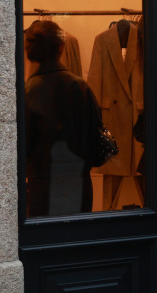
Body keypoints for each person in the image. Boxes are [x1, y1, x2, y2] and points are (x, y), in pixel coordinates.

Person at [24, 20, 101, 217]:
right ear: (61, 48)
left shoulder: (29, 90)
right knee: (76, 240)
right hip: (78, 179)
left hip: (43, 183)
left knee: (45, 241)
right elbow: (96, 134)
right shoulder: (80, 87)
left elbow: (24, 144)